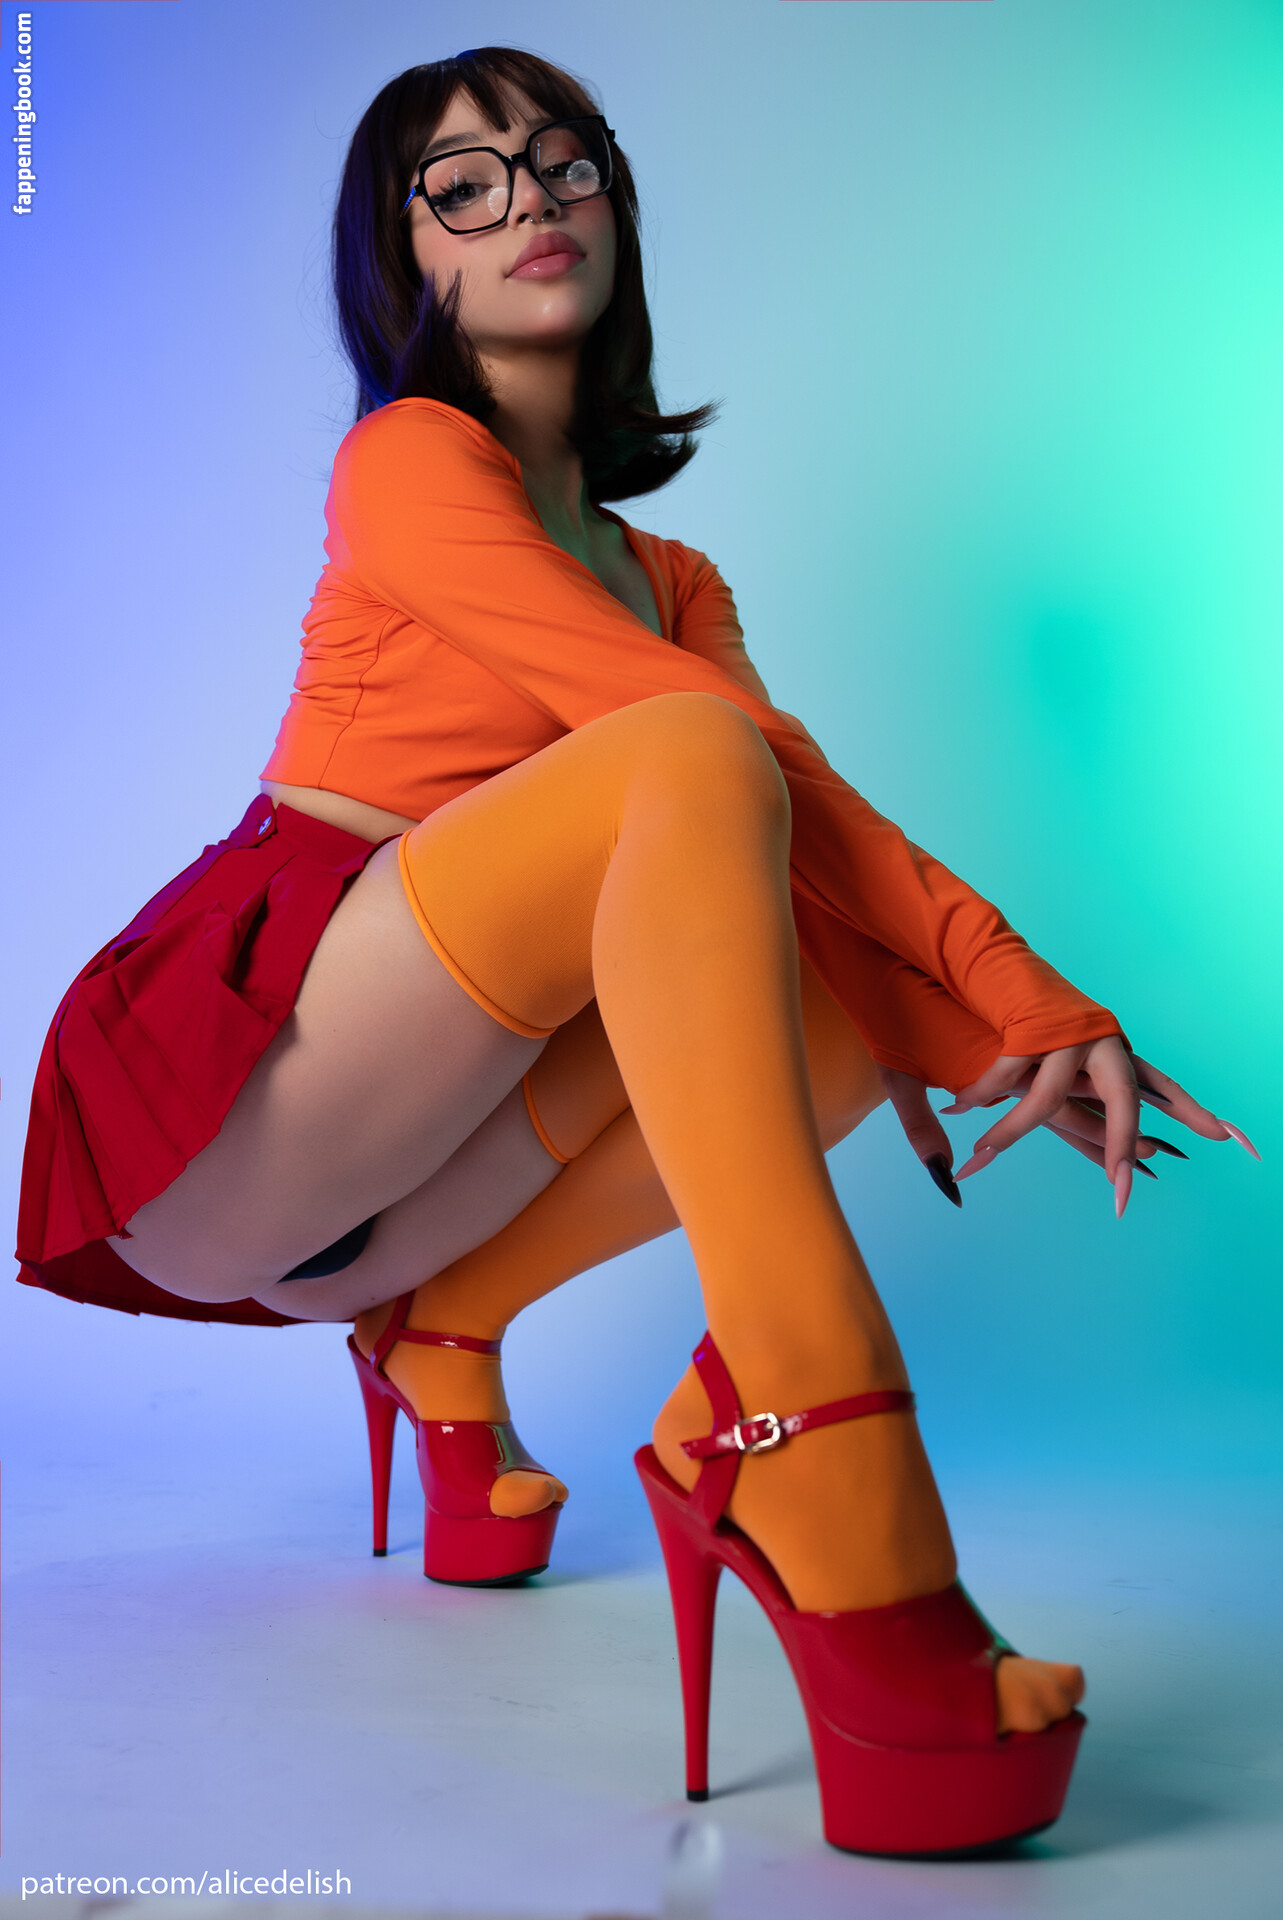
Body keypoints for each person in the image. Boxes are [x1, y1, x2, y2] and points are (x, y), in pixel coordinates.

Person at [15, 47, 1253, 1856]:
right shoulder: (407, 463)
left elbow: (789, 830)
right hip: (238, 1093)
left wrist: (987, 1031)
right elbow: (716, 757)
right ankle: (818, 1439)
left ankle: (442, 1325)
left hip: (430, 1152)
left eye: (563, 161)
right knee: (691, 755)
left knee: (831, 988)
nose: (530, 199)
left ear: (613, 204)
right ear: (402, 257)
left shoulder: (672, 580)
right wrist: (1008, 986)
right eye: (464, 183)